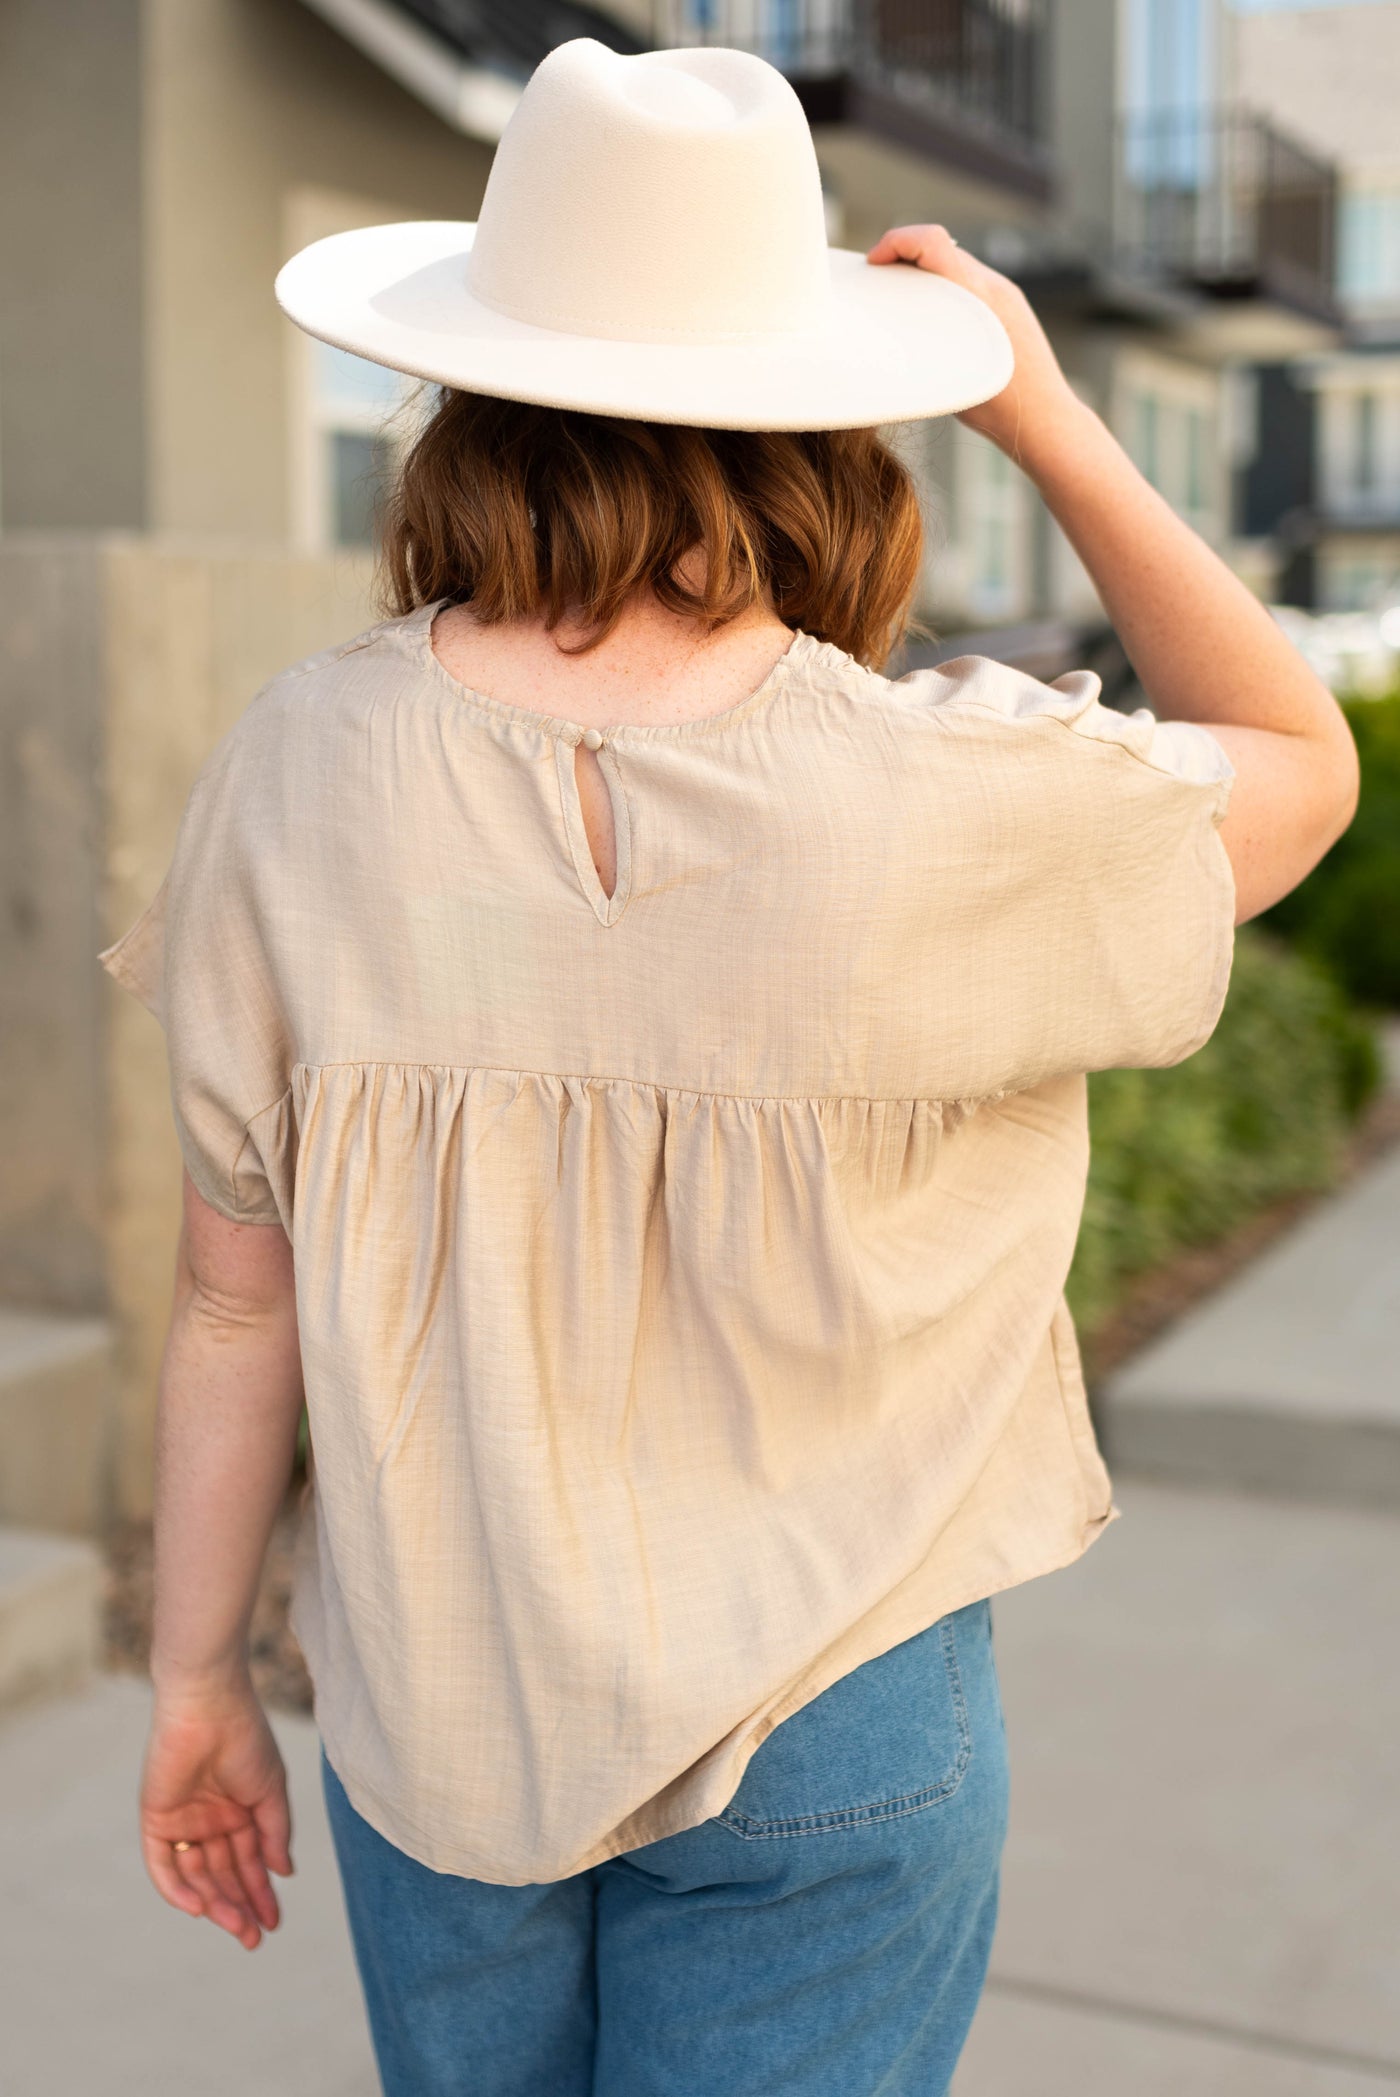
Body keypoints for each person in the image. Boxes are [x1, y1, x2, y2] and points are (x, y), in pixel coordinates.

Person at [97, 38, 1358, 2097]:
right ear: (825, 432)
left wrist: (192, 1676)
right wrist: (1037, 411)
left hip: (437, 1697)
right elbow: (1300, 766)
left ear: (465, 406)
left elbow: (237, 1297)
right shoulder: (947, 792)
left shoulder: (294, 772)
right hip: (835, 1696)